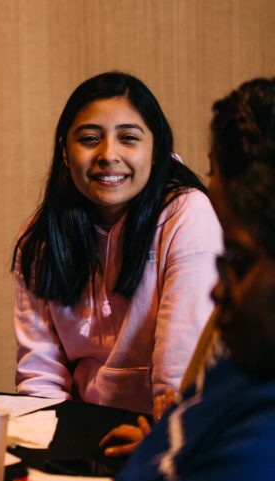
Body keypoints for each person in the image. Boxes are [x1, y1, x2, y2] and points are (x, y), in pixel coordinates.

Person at [95, 76, 275, 481]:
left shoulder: (257, 451)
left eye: (238, 260)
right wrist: (170, 440)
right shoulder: (240, 369)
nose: (217, 289)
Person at [12, 71, 222, 414]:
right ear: (65, 151)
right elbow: (40, 377)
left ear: (156, 150)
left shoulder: (187, 215)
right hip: (76, 432)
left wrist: (156, 447)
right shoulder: (40, 237)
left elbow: (179, 372)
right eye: (90, 138)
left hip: (157, 431)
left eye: (128, 138)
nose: (109, 154)